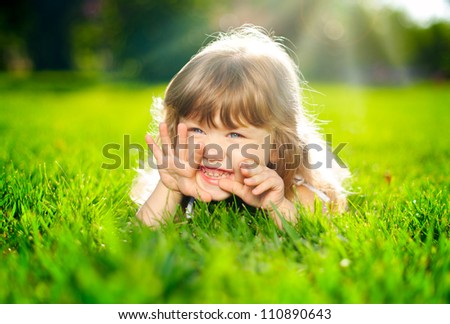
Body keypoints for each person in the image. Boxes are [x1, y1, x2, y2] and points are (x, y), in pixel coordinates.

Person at [130, 25, 350, 228]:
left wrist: (278, 206)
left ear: (276, 145)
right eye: (197, 130)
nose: (212, 151)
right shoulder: (182, 178)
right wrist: (170, 187)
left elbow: (317, 234)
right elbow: (141, 235)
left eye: (234, 134)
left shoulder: (295, 191)